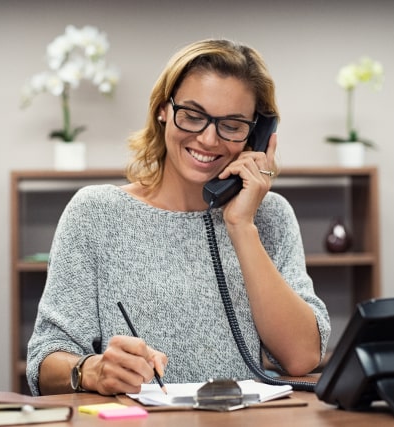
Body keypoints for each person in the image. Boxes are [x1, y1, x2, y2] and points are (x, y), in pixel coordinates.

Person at [26, 38, 331, 396]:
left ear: (257, 134)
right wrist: (90, 370)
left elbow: (302, 358)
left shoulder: (270, 216)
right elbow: (44, 361)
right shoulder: (95, 212)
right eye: (192, 115)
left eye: (232, 125)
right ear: (163, 110)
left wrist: (241, 226)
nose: (208, 138)